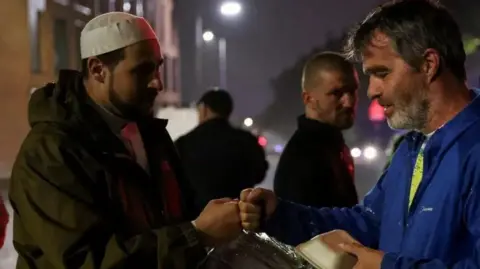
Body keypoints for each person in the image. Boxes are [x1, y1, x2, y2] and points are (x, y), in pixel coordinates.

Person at [239, 0, 480, 268]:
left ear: (428, 64)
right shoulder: (412, 147)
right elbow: (368, 221)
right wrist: (280, 214)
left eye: (382, 73)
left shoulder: (474, 149)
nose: (371, 92)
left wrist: (383, 265)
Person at [9, 12, 242, 269]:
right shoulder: (50, 152)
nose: (158, 83)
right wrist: (196, 235)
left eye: (158, 67)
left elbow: (178, 213)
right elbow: (87, 260)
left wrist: (230, 213)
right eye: (142, 70)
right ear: (98, 70)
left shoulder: (150, 134)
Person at [273, 52, 359, 208]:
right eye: (336, 93)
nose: (349, 102)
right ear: (308, 99)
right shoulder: (302, 158)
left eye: (352, 91)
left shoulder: (331, 147)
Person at [176, 89, 268, 214]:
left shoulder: (184, 143)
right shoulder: (247, 141)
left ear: (204, 109)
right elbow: (259, 173)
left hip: (199, 221)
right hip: (238, 218)